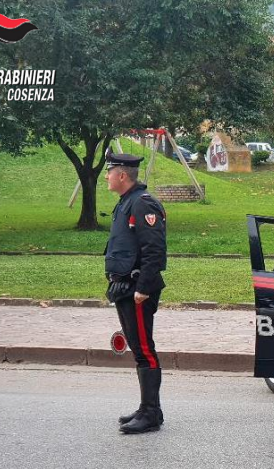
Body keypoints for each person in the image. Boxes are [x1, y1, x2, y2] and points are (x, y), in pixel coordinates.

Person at [103, 153, 168, 434]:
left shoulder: (143, 204)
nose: (106, 177)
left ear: (122, 175)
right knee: (139, 350)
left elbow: (155, 250)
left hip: (137, 290)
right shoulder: (125, 202)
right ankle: (147, 408)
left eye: (109, 172)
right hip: (124, 288)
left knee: (144, 351)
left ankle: (151, 414)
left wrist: (143, 288)